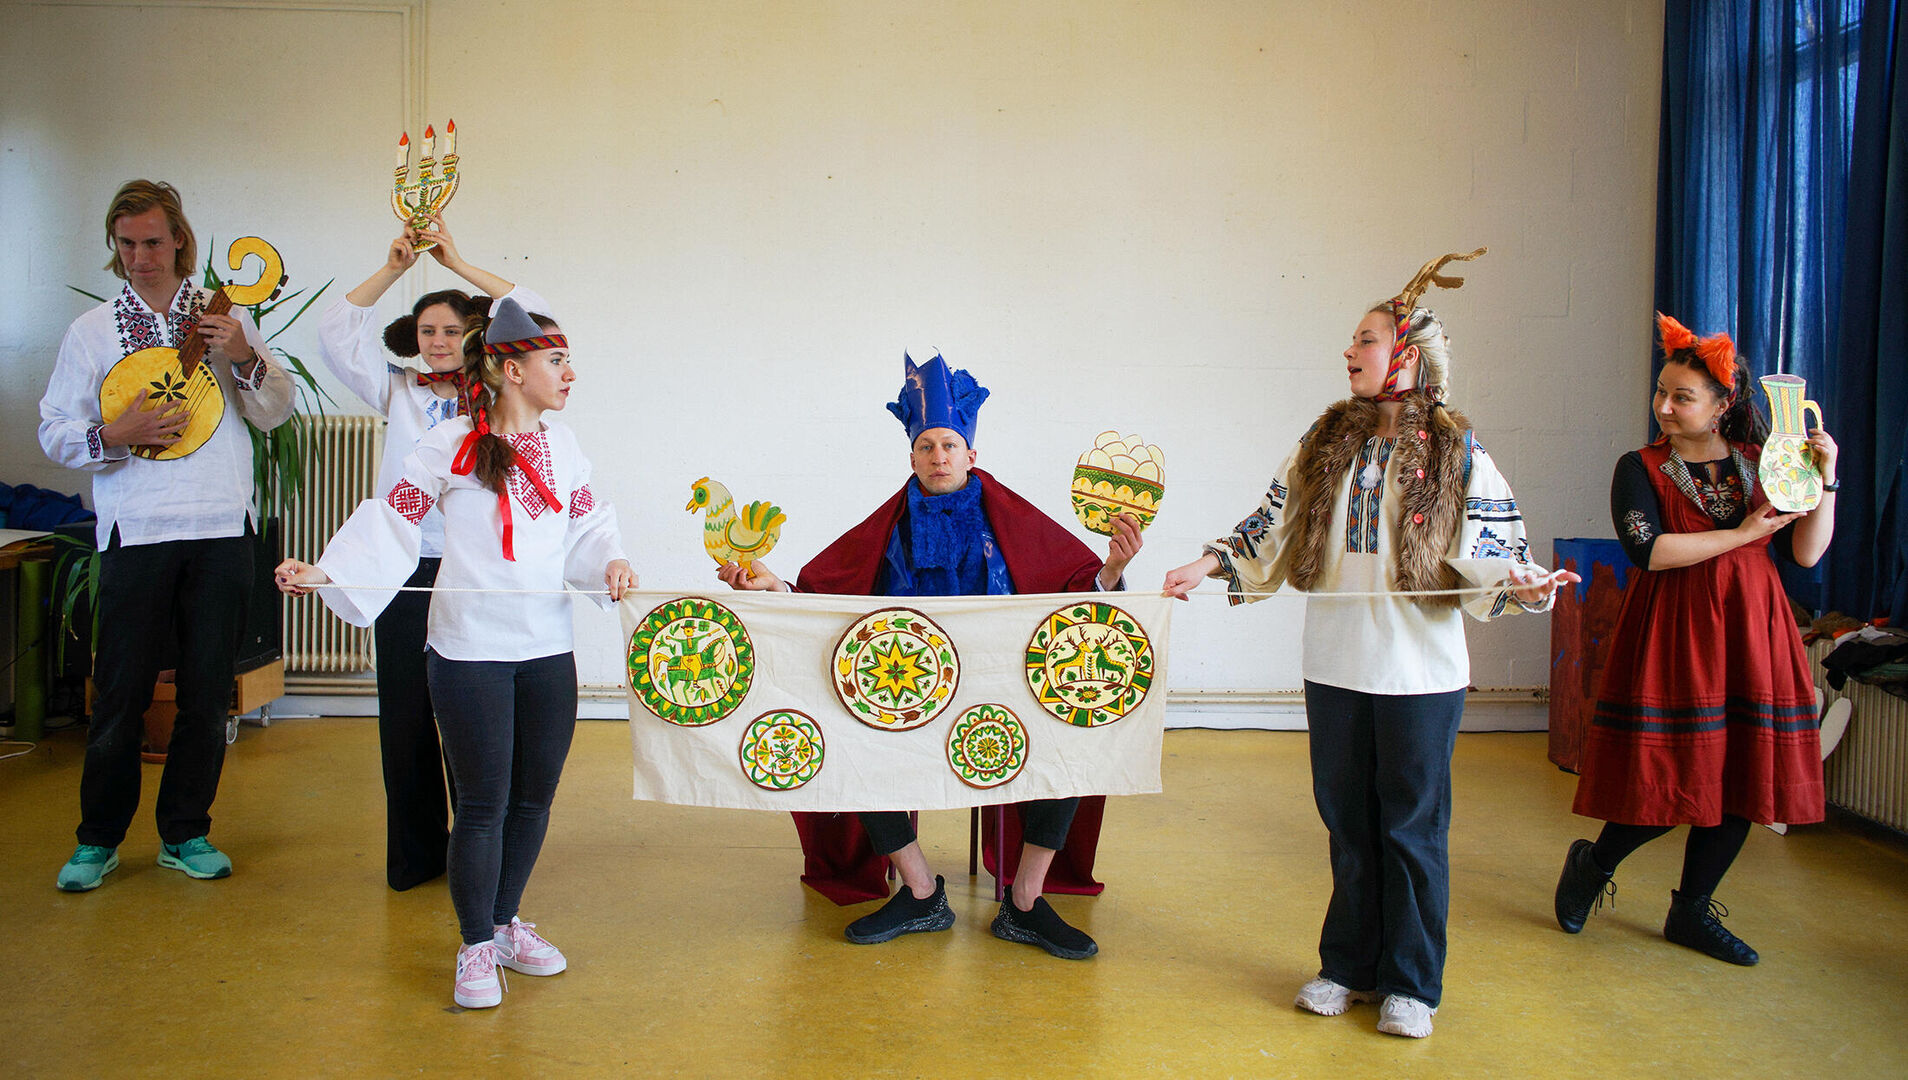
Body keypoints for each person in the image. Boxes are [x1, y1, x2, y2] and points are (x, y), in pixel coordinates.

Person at [1161, 251, 1572, 1039]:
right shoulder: (1326, 442)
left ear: (1408, 356)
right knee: (1348, 822)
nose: (1350, 352)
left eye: (1367, 340)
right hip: (1336, 662)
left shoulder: (1457, 449)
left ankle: (1412, 983)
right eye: (1353, 341)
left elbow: (1492, 545)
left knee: (1410, 826)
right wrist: (1210, 562)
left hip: (1420, 671)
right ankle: (1347, 964)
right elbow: (1273, 518)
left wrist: (1520, 581)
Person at [719, 353, 1142, 959]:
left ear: (972, 455)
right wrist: (776, 590)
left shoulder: (1014, 520)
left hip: (1003, 686)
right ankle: (921, 892)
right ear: (911, 459)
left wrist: (1113, 571)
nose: (939, 456)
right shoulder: (886, 526)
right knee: (844, 738)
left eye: (949, 445)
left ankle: (1024, 903)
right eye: (927, 446)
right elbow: (826, 597)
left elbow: (1078, 594)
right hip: (904, 688)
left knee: (1072, 734)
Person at [276, 299, 635, 1009]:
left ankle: (504, 924)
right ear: (511, 368)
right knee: (483, 802)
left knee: (534, 798)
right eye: (555, 360)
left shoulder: (565, 449)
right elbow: (393, 515)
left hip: (546, 646)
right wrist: (329, 570)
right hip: (469, 646)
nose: (569, 373)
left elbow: (590, 524)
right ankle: (474, 947)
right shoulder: (450, 445)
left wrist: (613, 563)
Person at [1553, 314, 1836, 966]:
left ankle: (1692, 910)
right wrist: (1741, 536)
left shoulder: (1764, 463)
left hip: (1753, 631)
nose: (1665, 406)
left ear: (1722, 406)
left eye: (1681, 396)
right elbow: (1648, 552)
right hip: (1677, 634)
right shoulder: (1641, 466)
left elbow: (1807, 552)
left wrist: (1827, 479)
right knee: (1666, 778)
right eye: (1662, 392)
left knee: (1741, 778)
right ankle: (1594, 865)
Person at [40, 180, 294, 891]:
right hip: (136, 529)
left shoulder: (224, 318)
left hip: (220, 525)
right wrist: (112, 434)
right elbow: (55, 428)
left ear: (179, 238)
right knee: (119, 692)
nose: (140, 257)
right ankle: (98, 840)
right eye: (126, 245)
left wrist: (244, 356)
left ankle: (186, 833)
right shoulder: (91, 332)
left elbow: (274, 413)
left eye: (152, 242)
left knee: (208, 692)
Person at [318, 215, 553, 892]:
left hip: (474, 574)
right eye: (427, 332)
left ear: (475, 335)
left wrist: (457, 263)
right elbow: (336, 331)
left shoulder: (500, 393)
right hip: (401, 573)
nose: (439, 342)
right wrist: (395, 266)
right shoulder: (396, 389)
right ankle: (416, 858)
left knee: (475, 724)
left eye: (452, 330)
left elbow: (534, 312)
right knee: (407, 717)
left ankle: (477, 857)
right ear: (413, 341)